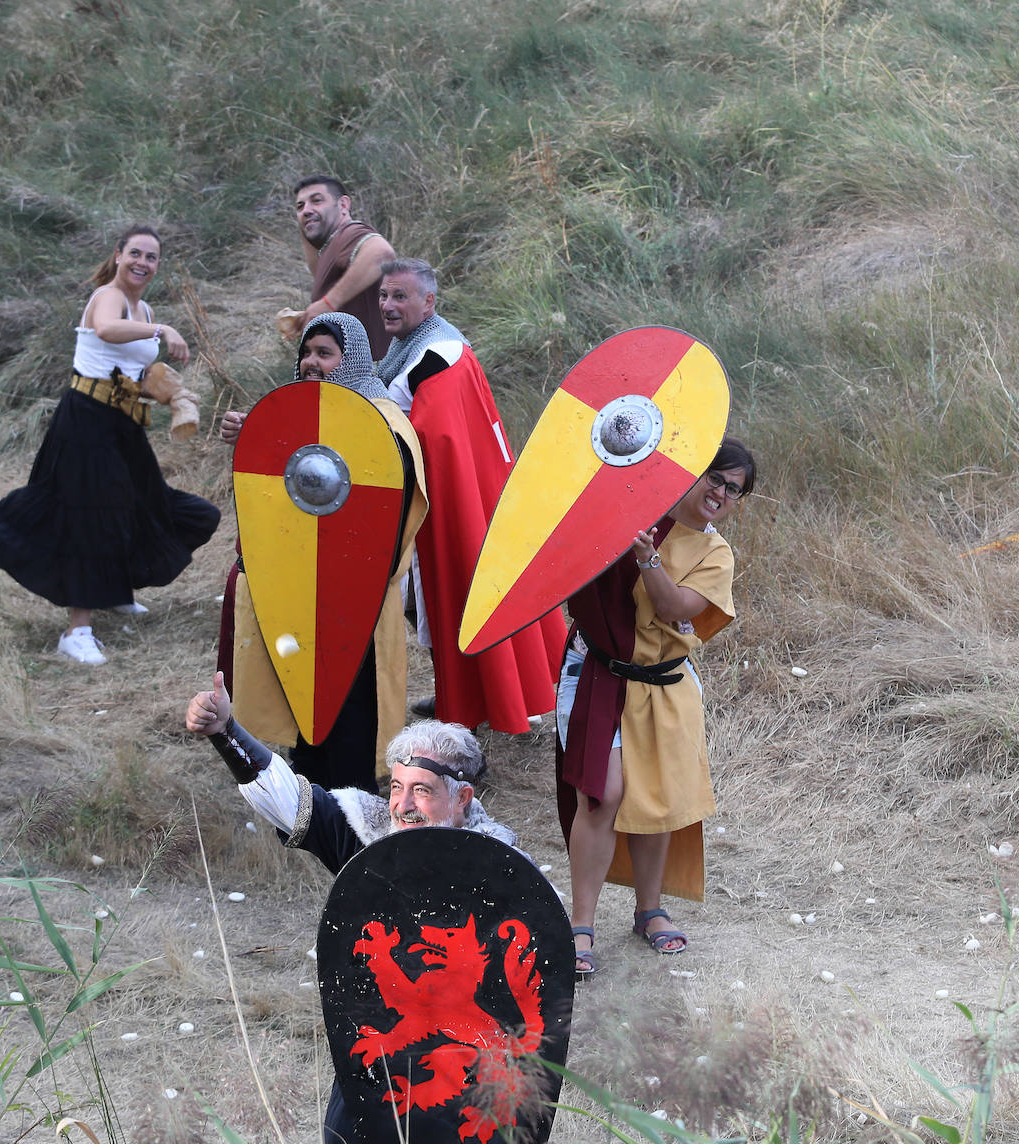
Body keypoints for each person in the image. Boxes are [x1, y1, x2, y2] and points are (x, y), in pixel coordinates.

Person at [185, 670, 517, 1144]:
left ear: (462, 797)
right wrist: (226, 732)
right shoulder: (370, 836)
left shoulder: (501, 873)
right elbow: (287, 797)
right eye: (397, 787)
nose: (402, 805)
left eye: (421, 790)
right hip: (374, 1059)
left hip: (461, 1074)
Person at [0, 225, 220, 664]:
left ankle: (114, 589)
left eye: (151, 257)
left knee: (143, 504)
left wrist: (164, 392)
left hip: (122, 422)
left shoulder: (142, 306)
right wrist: (162, 329)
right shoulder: (109, 297)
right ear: (117, 255)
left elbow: (123, 367)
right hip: (86, 420)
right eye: (135, 253)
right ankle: (77, 631)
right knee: (89, 514)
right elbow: (108, 331)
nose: (142, 263)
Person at [555, 437, 756, 974]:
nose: (720, 492)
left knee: (659, 801)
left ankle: (649, 910)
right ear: (693, 472)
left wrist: (647, 560)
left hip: (666, 686)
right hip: (597, 671)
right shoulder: (632, 509)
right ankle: (581, 926)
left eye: (733, 490)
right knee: (602, 795)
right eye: (715, 477)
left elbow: (673, 608)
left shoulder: (715, 554)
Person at [219, 313, 427, 792]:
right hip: (299, 592)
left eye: (325, 354)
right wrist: (254, 436)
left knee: (352, 711)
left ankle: (352, 813)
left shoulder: (385, 423)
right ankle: (303, 804)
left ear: (350, 359)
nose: (312, 362)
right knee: (302, 701)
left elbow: (383, 524)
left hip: (358, 599)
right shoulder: (299, 416)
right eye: (306, 353)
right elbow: (271, 502)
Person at [374, 258, 567, 732]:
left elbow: (432, 437)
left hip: (452, 502)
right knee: (451, 599)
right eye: (383, 296)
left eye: (400, 296)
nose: (388, 305)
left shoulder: (438, 357)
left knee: (464, 594)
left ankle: (478, 707)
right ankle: (458, 697)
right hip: (452, 496)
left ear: (428, 302)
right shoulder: (415, 348)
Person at [289, 175, 395, 359]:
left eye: (317, 201)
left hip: (375, 377)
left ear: (343, 205)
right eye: (300, 206)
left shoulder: (349, 233)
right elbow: (320, 274)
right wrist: (306, 222)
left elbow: (382, 253)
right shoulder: (332, 247)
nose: (306, 210)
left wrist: (328, 304)